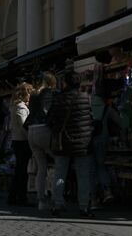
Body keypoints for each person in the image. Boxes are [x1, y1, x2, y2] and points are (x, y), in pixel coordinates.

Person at [47, 71, 94, 217]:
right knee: (83, 176)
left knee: (60, 174)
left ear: (65, 83)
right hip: (83, 143)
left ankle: (57, 204)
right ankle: (84, 207)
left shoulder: (58, 99)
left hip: (63, 142)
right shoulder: (86, 98)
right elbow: (92, 119)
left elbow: (50, 120)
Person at [27, 72, 56, 211]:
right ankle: (57, 196)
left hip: (31, 131)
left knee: (41, 168)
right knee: (60, 164)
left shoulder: (33, 94)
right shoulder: (48, 92)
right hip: (43, 130)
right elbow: (49, 112)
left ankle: (41, 201)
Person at [7, 82, 33, 206]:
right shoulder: (21, 107)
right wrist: (31, 139)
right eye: (29, 93)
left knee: (20, 170)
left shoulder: (14, 106)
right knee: (22, 171)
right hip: (23, 141)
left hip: (17, 141)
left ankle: (14, 196)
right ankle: (20, 197)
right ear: (24, 94)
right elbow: (24, 127)